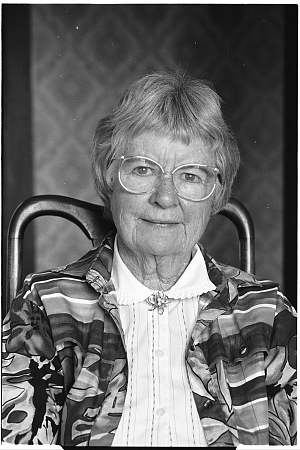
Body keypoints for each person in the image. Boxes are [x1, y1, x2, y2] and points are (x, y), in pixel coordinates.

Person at [2, 71, 296, 447]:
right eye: (143, 169)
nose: (165, 198)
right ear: (109, 176)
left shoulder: (268, 312)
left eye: (190, 176)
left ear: (216, 194)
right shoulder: (46, 304)